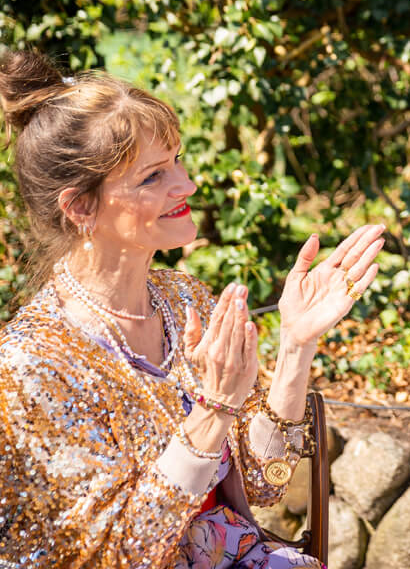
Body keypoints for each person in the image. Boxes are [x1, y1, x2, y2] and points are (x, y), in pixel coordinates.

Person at [0, 50, 387, 568]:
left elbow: (264, 484)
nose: (187, 186)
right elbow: (119, 555)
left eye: (177, 161)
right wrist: (213, 409)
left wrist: (296, 345)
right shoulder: (32, 366)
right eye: (152, 177)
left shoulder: (184, 301)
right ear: (80, 207)